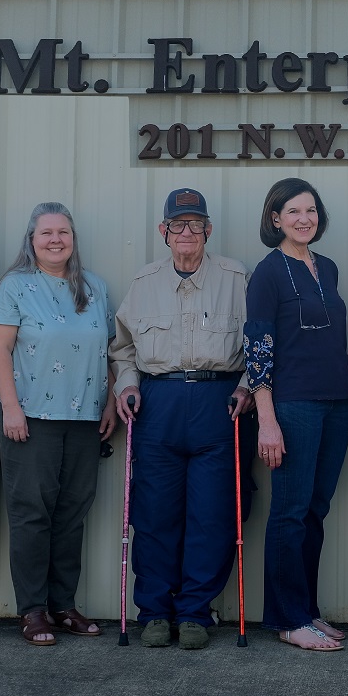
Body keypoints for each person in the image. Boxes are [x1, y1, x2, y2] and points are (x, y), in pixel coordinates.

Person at [109, 189, 251, 651]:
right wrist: (126, 386)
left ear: (208, 231)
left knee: (213, 514)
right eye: (177, 224)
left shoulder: (236, 278)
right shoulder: (144, 282)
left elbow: (261, 344)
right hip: (159, 402)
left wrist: (247, 387)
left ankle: (194, 612)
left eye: (195, 224)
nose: (186, 232)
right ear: (164, 231)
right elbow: (122, 348)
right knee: (154, 514)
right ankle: (154, 612)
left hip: (218, 401)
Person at [0, 202, 116, 646]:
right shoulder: (15, 286)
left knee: (71, 514)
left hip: (84, 418)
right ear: (32, 240)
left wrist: (109, 403)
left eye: (63, 232)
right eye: (46, 233)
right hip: (31, 418)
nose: (55, 240)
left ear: (73, 239)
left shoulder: (95, 287)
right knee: (31, 514)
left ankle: (63, 606)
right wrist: (11, 407)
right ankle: (32, 610)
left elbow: (110, 351)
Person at [245, 178, 348, 652]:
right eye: (293, 211)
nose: (304, 219)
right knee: (289, 512)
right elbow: (258, 350)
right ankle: (287, 619)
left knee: (315, 509)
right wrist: (267, 420)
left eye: (310, 210)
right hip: (293, 406)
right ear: (276, 219)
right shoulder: (267, 273)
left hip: (338, 403)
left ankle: (306, 610)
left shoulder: (326, 268)